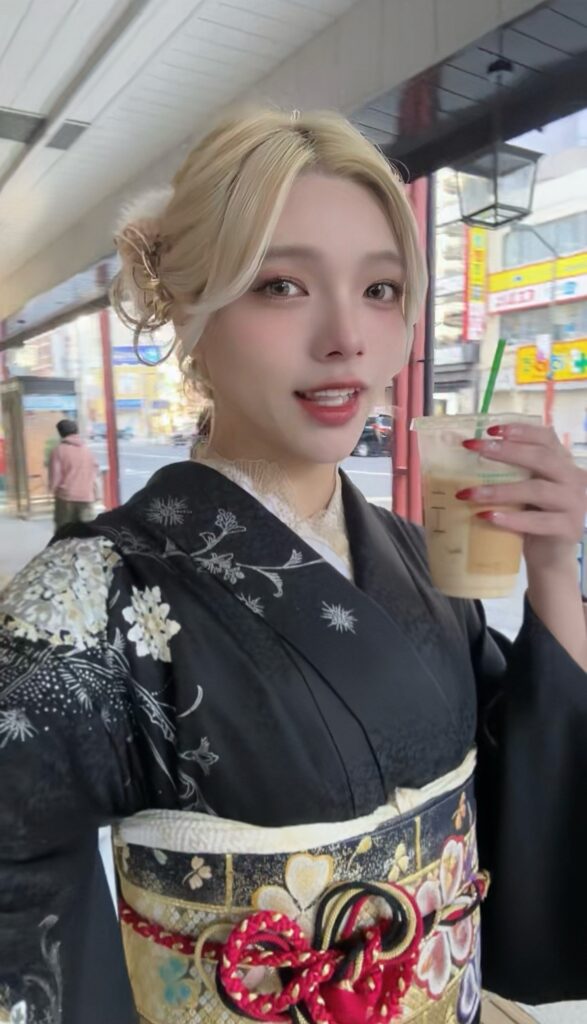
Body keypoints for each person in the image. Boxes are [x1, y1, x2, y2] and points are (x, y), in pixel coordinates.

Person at [0, 108, 586, 1024]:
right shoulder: (92, 596)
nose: (348, 337)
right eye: (281, 285)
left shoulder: (411, 553)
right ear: (188, 308)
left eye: (381, 289)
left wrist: (551, 567)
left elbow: (515, 795)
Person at [48, 418, 98, 528]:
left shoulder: (58, 450)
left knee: (64, 531)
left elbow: (55, 477)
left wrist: (52, 489)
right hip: (86, 496)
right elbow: (94, 472)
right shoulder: (87, 450)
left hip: (66, 498)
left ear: (60, 433)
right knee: (86, 531)